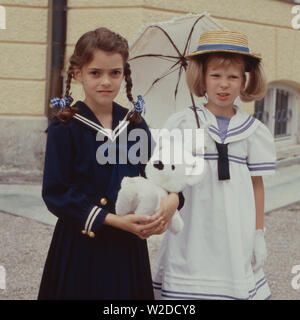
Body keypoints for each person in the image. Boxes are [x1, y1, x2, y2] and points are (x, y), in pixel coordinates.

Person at [38, 27, 183, 300]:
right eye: (96, 73)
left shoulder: (135, 125)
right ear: (78, 74)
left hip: (127, 248)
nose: (106, 81)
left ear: (124, 75)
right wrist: (114, 220)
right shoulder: (65, 127)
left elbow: (159, 173)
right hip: (82, 246)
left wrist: (172, 198)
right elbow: (56, 193)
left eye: (115, 73)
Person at [152, 30, 276, 300]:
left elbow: (257, 186)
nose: (224, 85)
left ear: (244, 81)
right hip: (192, 228)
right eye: (216, 76)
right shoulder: (183, 123)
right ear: (202, 78)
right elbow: (167, 178)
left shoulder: (254, 131)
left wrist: (258, 232)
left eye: (233, 77)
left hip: (235, 230)